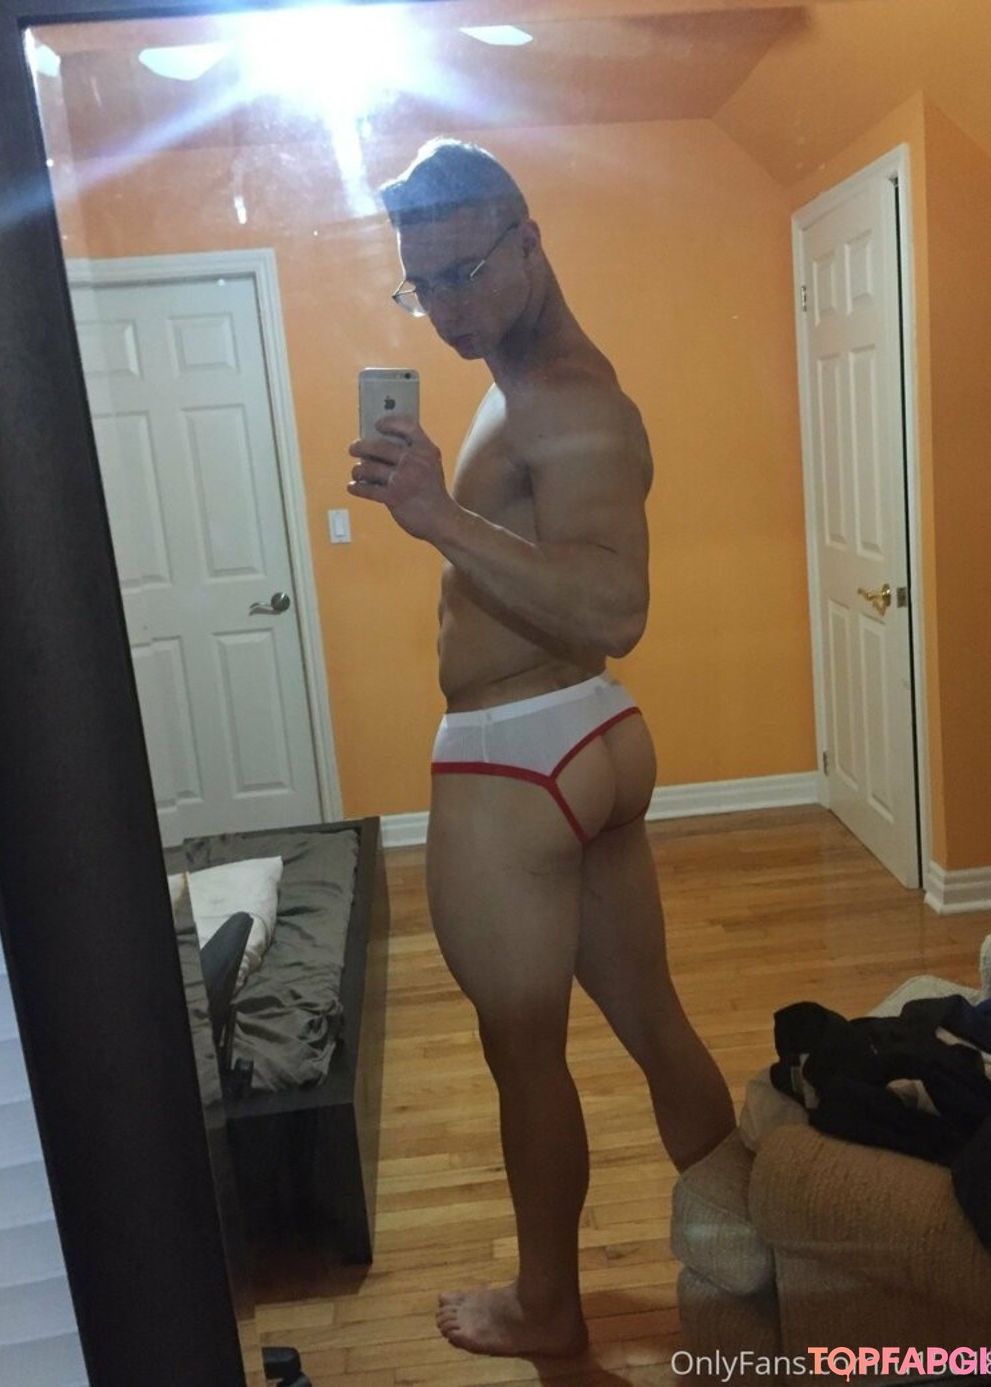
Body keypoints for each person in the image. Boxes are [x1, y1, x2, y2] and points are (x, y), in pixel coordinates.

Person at [348, 139, 734, 1359]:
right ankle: (759, 1250)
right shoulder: (521, 375)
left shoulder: (569, 394)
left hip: (517, 759)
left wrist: (435, 517)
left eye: (463, 273)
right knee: (653, 1017)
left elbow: (616, 603)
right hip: (588, 737)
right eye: (422, 285)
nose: (445, 308)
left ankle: (550, 1305)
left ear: (528, 240)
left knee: (525, 1061)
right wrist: (444, 510)